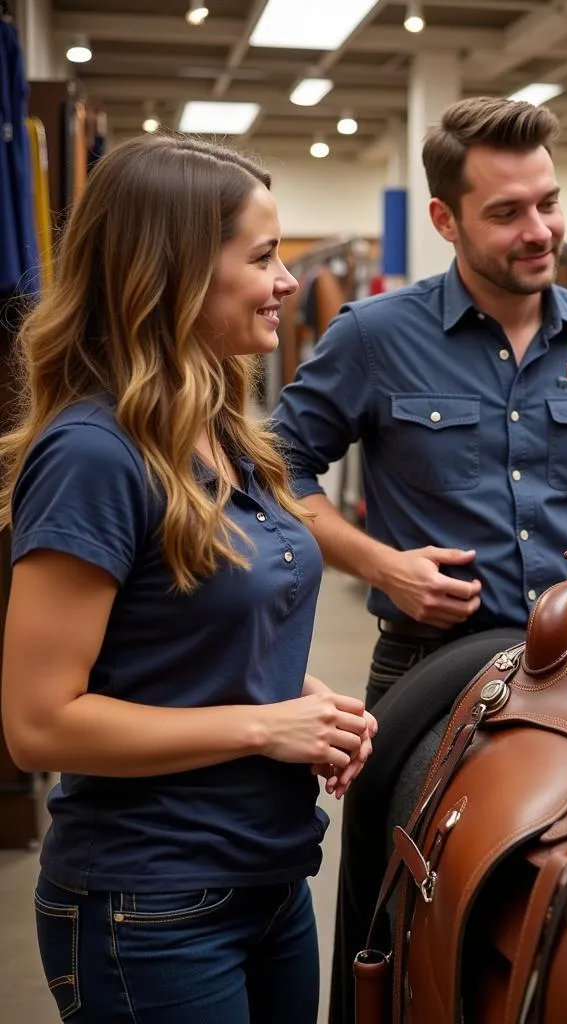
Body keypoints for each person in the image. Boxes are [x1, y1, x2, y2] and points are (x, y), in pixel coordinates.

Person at [0, 133, 376, 1024]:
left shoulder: (228, 434)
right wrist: (261, 726)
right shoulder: (94, 456)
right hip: (151, 901)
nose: (288, 280)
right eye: (262, 256)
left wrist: (306, 704)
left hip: (270, 879)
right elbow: (38, 723)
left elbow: (191, 635)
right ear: (170, 276)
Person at [272, 96, 567, 709]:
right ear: (445, 219)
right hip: (427, 667)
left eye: (548, 203)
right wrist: (381, 566)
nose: (539, 231)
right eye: (506, 213)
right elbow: (275, 467)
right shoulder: (374, 336)